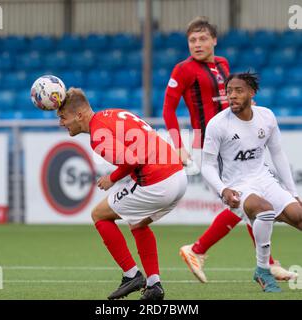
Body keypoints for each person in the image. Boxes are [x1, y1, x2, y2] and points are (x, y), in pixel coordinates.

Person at [162, 16, 296, 282]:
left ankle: (259, 262)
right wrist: (178, 145)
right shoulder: (183, 70)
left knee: (248, 205)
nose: (197, 45)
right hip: (209, 142)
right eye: (192, 40)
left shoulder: (223, 64)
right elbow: (168, 109)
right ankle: (200, 250)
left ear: (214, 40)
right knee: (243, 202)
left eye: (202, 39)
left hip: (235, 142)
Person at [57, 88, 187, 300]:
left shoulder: (98, 136)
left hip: (158, 181)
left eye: (63, 117)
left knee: (99, 215)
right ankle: (154, 285)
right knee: (137, 222)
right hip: (179, 176)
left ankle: (131, 275)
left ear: (79, 115)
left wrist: (112, 178)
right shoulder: (113, 113)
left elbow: (131, 160)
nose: (61, 123)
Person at [201, 72, 302, 292]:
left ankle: (264, 268)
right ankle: (263, 270)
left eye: (238, 91)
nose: (232, 96)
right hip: (237, 186)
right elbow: (206, 165)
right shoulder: (217, 124)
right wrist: (222, 189)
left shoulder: (266, 116)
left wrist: (293, 192)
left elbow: (278, 154)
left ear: (252, 93)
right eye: (229, 92)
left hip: (264, 179)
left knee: (298, 216)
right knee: (264, 210)